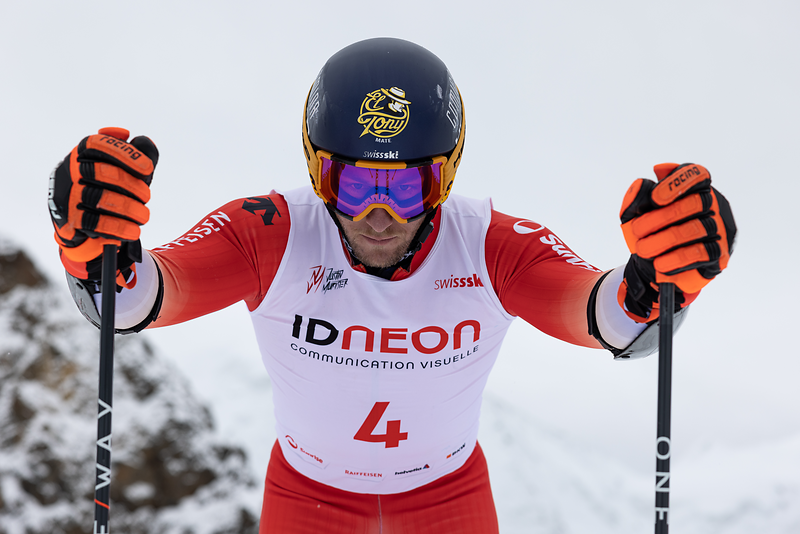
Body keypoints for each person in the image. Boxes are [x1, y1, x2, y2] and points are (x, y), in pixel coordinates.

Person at [47, 38, 736, 533]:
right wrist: (99, 252)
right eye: (352, 182)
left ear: (447, 176)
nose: (379, 214)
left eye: (408, 185)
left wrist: (654, 282)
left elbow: (605, 317)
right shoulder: (272, 231)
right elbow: (135, 302)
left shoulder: (490, 242)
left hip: (448, 500)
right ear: (319, 172)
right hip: (307, 499)